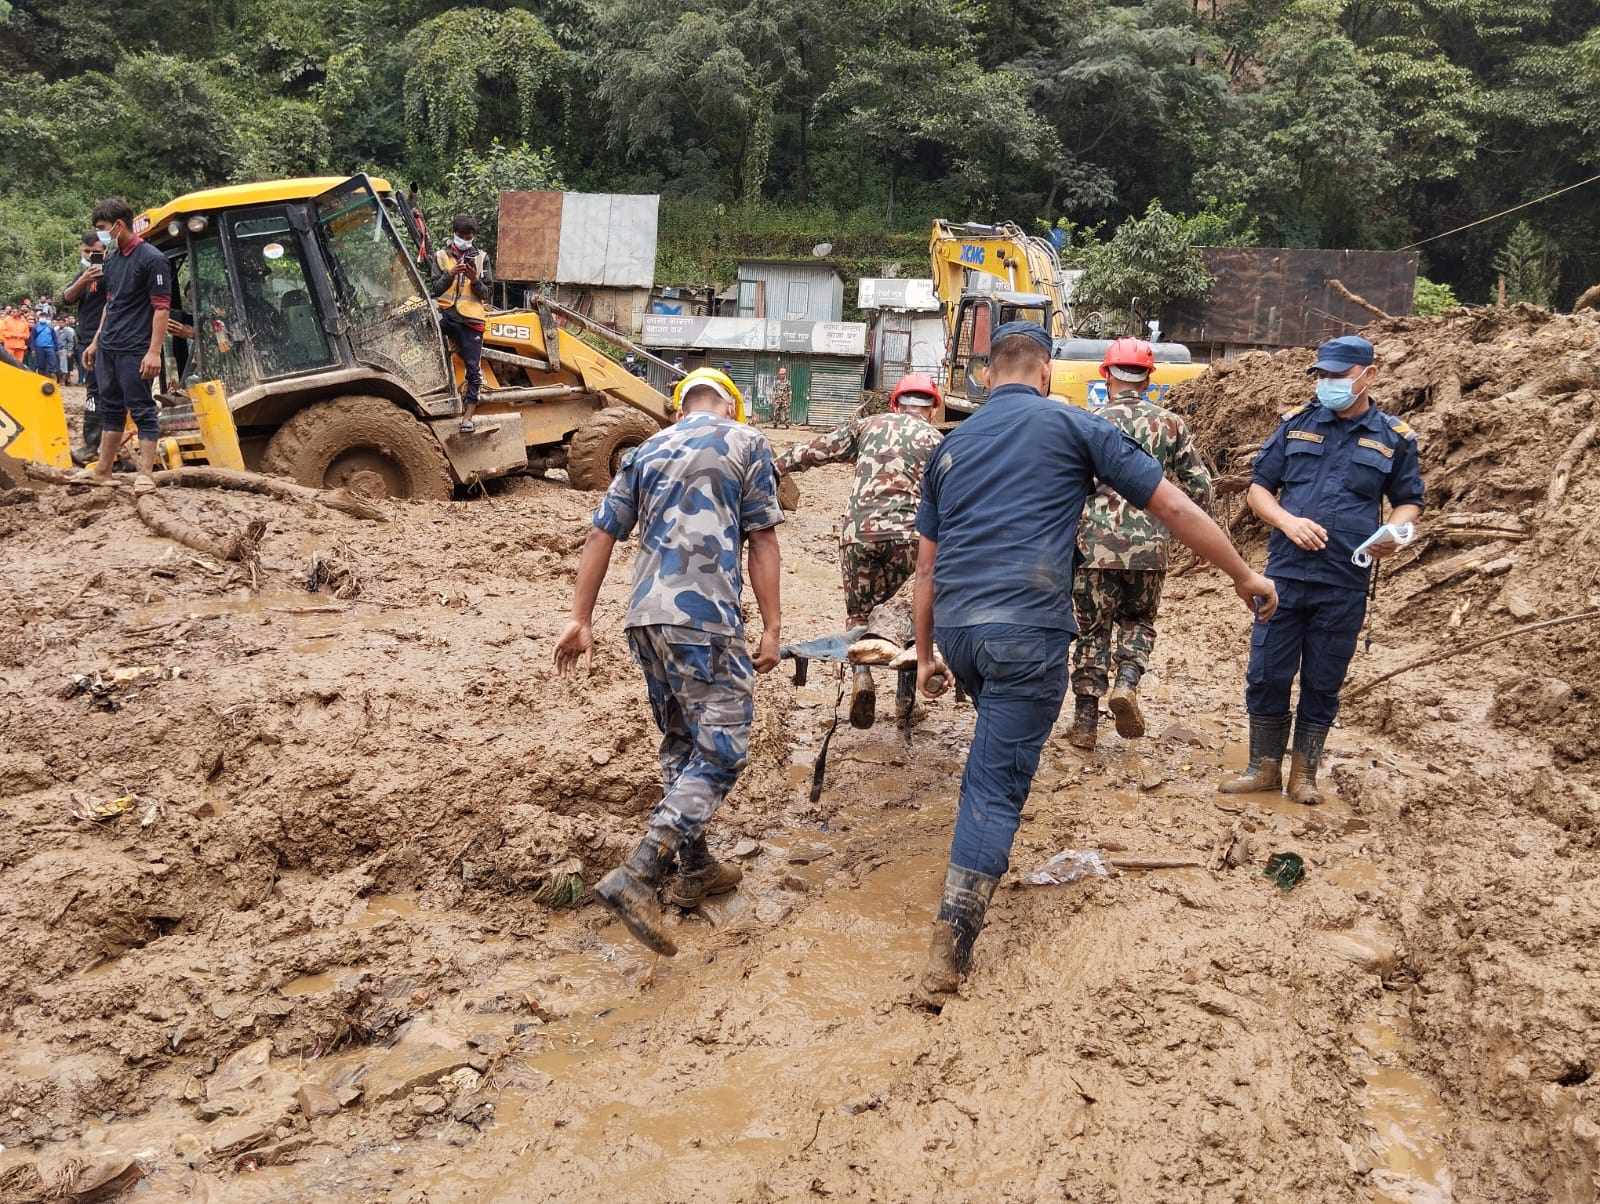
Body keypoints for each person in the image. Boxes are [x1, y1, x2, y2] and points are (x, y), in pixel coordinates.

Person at [911, 322, 1277, 998]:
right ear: (1046, 371)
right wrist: (1241, 576)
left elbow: (925, 570)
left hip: (960, 628)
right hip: (1027, 625)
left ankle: (969, 856)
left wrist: (928, 653)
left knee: (991, 747)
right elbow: (1171, 502)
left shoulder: (950, 447)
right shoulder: (1074, 426)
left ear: (988, 376)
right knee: (997, 784)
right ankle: (950, 945)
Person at [554, 367, 784, 954]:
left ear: (679, 409)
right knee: (724, 748)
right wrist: (773, 625)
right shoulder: (746, 443)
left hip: (645, 620)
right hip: (705, 619)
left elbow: (601, 534)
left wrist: (580, 619)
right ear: (730, 406)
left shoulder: (645, 448)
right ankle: (639, 871)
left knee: (683, 743)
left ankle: (695, 869)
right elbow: (763, 540)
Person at [1220, 335, 1424, 805]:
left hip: (1344, 581)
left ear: (1368, 375)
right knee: (1267, 672)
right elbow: (1258, 490)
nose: (1328, 384)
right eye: (1323, 376)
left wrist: (1394, 533)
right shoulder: (1295, 426)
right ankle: (1263, 767)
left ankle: (1304, 774)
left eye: (1338, 375)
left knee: (1323, 679)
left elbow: (1409, 502)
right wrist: (1287, 521)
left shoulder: (1394, 438)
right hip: (1284, 577)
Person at [1067, 339, 1214, 750]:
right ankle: (1127, 685)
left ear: (1105, 375)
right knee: (1138, 621)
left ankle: (1084, 723)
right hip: (1149, 548)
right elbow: (1199, 486)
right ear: (1150, 378)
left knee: (1091, 629)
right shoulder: (1171, 425)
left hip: (1093, 547)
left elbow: (1067, 487)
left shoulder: (1089, 422)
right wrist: (1191, 536)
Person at [776, 372, 945, 727]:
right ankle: (906, 703)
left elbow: (816, 451)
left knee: (859, 615)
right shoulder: (936, 440)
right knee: (911, 616)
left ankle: (862, 679)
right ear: (932, 410)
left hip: (859, 535)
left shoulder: (868, 425)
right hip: (911, 539)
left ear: (895, 402)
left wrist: (776, 465)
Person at [81, 197, 171, 491]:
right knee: (110, 408)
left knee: (142, 408)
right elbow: (111, 304)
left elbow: (161, 308)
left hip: (135, 348)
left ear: (119, 225)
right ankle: (103, 470)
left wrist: (154, 351)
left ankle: (146, 474)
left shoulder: (152, 258)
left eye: (103, 228)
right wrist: (95, 342)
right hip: (109, 346)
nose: (102, 234)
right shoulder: (112, 259)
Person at [429, 214, 491, 433]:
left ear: (473, 236)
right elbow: (434, 289)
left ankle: (468, 417)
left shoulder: (481, 257)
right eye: (461, 236)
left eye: (469, 236)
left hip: (470, 319)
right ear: (454, 233)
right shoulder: (440, 256)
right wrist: (450, 274)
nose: (465, 239)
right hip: (446, 315)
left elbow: (486, 294)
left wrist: (475, 280)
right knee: (427, 352)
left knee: (473, 369)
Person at [63, 231, 109, 458]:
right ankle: (91, 444)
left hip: (107, 339)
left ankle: (111, 446)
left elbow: (112, 307)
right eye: (87, 252)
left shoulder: (113, 273)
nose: (92, 256)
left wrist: (97, 340)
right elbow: (66, 298)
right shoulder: (83, 275)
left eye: (96, 252)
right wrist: (85, 278)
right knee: (92, 393)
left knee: (110, 391)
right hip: (85, 341)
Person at [30, 309, 56, 382]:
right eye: (41, 317)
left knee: (52, 362)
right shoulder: (35, 327)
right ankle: (41, 378)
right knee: (41, 364)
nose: (43, 318)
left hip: (50, 347)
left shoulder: (50, 327)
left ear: (47, 318)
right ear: (38, 318)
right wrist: (33, 349)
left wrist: (55, 348)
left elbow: (54, 338)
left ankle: (51, 376)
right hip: (39, 348)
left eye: (44, 317)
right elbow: (32, 339)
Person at [54, 318, 76, 385]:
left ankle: (63, 381)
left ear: (65, 323)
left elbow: (71, 342)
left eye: (62, 322)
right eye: (59, 322)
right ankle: (58, 379)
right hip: (56, 349)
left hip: (64, 349)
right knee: (56, 366)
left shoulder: (68, 331)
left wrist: (69, 351)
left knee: (63, 366)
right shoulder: (56, 331)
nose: (61, 324)